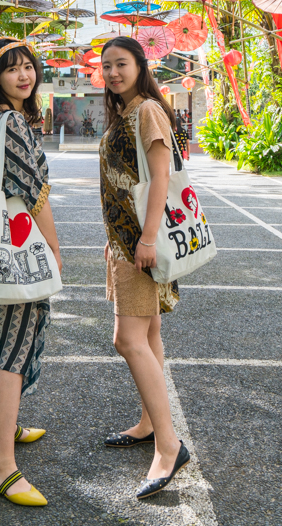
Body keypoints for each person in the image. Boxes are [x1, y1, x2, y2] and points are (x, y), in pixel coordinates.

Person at [0, 38, 64, 507]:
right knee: (13, 351)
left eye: (29, 67)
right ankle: (2, 466)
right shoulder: (14, 122)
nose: (25, 75)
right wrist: (55, 250)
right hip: (20, 247)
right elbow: (35, 194)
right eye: (12, 69)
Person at [97, 36, 192, 500]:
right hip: (126, 242)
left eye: (121, 64)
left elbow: (161, 177)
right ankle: (150, 424)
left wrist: (149, 238)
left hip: (140, 244)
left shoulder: (148, 110)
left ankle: (169, 448)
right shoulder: (126, 112)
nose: (113, 73)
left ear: (140, 65)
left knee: (127, 339)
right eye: (107, 66)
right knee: (149, 334)